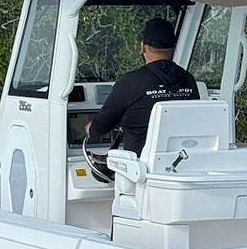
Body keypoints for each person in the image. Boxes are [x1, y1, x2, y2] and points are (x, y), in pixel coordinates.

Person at [84, 17, 199, 154]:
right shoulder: (189, 81)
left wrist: (91, 128)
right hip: (181, 163)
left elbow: (101, 126)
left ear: (142, 47)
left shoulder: (131, 82)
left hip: (140, 168)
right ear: (174, 48)